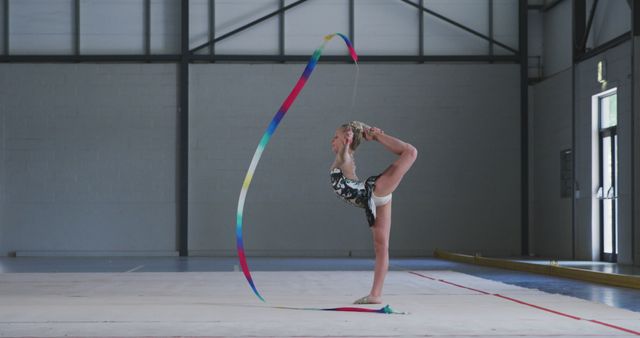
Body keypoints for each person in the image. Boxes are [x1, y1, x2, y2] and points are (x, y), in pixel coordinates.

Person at [330, 121, 418, 304]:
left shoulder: (343, 157)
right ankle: (375, 295)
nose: (332, 140)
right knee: (381, 247)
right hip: (373, 201)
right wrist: (356, 134)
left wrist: (366, 136)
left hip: (374, 191)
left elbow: (344, 154)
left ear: (346, 139)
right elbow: (346, 153)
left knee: (410, 153)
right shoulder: (346, 158)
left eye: (336, 137)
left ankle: (377, 136)